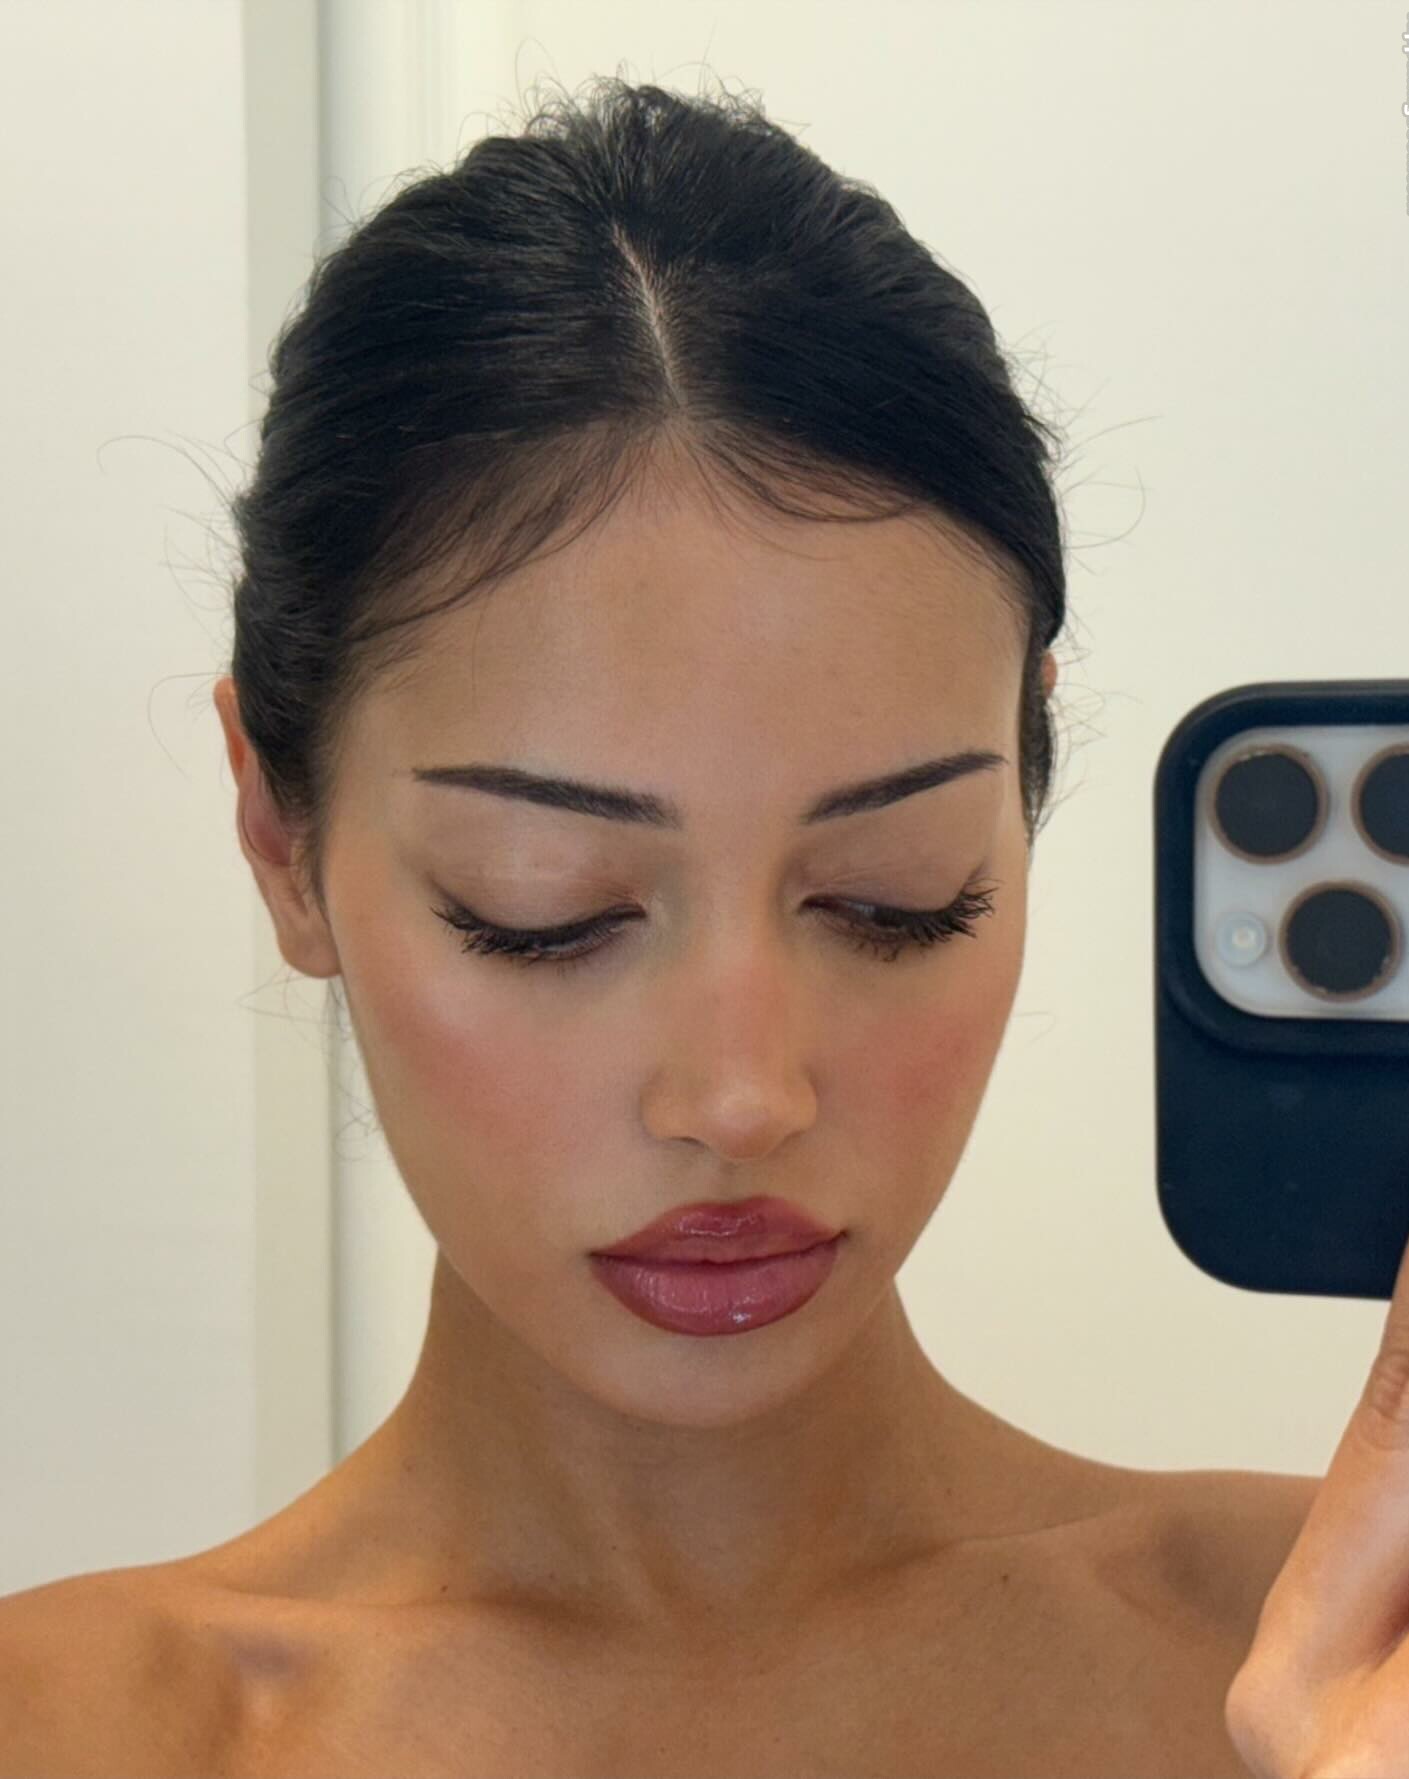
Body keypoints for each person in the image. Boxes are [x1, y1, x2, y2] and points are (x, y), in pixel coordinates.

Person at [0, 77, 1324, 1778]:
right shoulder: (68, 1732)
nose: (742, 1098)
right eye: (544, 914)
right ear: (280, 833)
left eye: (896, 897)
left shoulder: (1335, 1658)